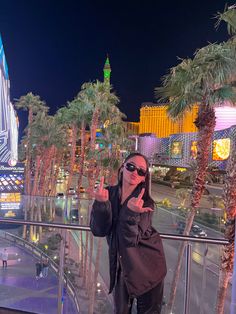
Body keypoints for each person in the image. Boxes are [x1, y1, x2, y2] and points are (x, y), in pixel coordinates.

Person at [90, 152, 167, 314]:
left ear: (143, 178)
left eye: (141, 171)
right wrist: (101, 204)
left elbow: (130, 239)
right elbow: (99, 230)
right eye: (131, 166)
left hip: (148, 269)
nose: (135, 172)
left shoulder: (145, 203)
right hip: (122, 266)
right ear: (122, 168)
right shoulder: (108, 194)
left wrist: (132, 213)